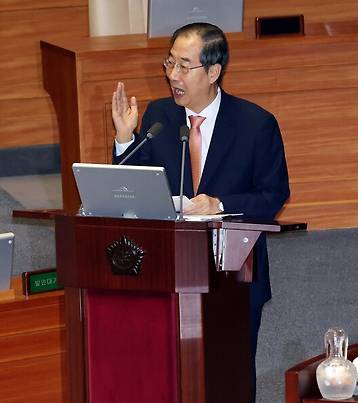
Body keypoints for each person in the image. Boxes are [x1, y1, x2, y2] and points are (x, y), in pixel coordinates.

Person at [111, 22, 290, 402]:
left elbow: (274, 194)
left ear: (213, 72)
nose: (172, 76)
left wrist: (221, 205)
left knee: (231, 371)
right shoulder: (160, 117)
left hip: (234, 270)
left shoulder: (256, 124)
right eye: (169, 64)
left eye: (183, 66)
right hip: (168, 267)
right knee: (168, 369)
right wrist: (125, 137)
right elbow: (131, 191)